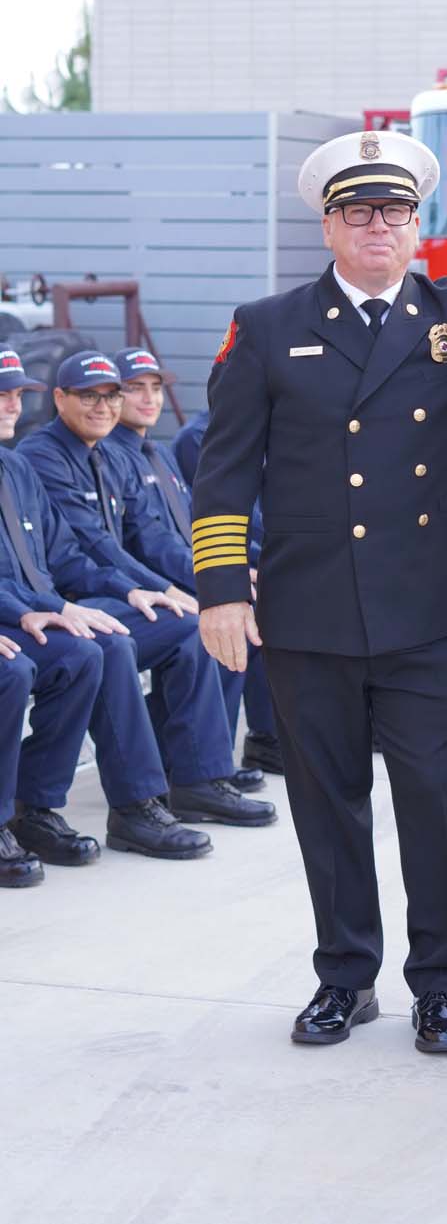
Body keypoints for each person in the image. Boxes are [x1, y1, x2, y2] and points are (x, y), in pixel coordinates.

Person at [190, 130, 447, 1053]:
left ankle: (442, 982)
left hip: (427, 605)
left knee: (433, 799)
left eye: (394, 210)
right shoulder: (269, 324)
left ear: (418, 225)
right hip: (310, 606)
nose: (377, 226)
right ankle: (345, 976)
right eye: (357, 210)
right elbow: (224, 467)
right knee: (326, 800)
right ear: (328, 225)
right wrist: (218, 588)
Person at [18, 352, 275, 830]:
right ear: (59, 399)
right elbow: (85, 549)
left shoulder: (114, 454)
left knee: (194, 624)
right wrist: (155, 588)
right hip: (72, 601)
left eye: (109, 395)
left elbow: (152, 533)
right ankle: (133, 802)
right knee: (126, 640)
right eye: (89, 396)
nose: (104, 406)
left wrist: (209, 579)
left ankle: (199, 776)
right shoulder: (38, 457)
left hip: (103, 594)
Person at [0, 349, 214, 871]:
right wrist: (45, 607)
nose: (10, 405)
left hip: (35, 606)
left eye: (14, 394)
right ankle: (23, 813)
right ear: (61, 400)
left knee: (116, 640)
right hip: (14, 613)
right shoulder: (40, 455)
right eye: (0, 394)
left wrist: (131, 591)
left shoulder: (14, 468)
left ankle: (49, 808)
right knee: (44, 663)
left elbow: (67, 555)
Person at [109, 351, 278, 781]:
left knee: (259, 606)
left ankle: (249, 743)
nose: (149, 398)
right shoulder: (116, 454)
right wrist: (215, 579)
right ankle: (198, 764)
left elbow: (192, 522)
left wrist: (233, 567)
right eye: (134, 388)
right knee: (225, 617)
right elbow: (152, 543)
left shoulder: (158, 452)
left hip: (184, 575)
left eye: (155, 388)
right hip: (156, 585)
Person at [173, 407, 281, 773]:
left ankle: (267, 739)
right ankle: (200, 773)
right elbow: (212, 517)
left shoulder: (150, 454)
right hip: (176, 576)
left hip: (214, 563)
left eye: (155, 389)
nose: (149, 399)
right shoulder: (195, 437)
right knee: (218, 622)